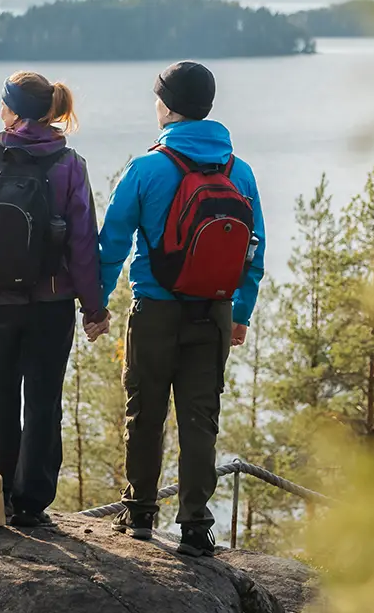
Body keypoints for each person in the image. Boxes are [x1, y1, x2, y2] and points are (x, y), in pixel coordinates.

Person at [97, 61, 266, 557]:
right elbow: (254, 249)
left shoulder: (147, 167)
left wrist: (96, 303)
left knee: (144, 415)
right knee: (200, 419)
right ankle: (195, 526)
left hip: (156, 311)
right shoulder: (241, 170)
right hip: (212, 312)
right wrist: (241, 313)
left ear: (169, 106)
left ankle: (140, 515)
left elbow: (112, 242)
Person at [0, 71, 109, 528]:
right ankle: (32, 505)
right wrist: (93, 309)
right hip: (50, 304)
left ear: (13, 109)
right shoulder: (69, 164)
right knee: (43, 401)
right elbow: (82, 243)